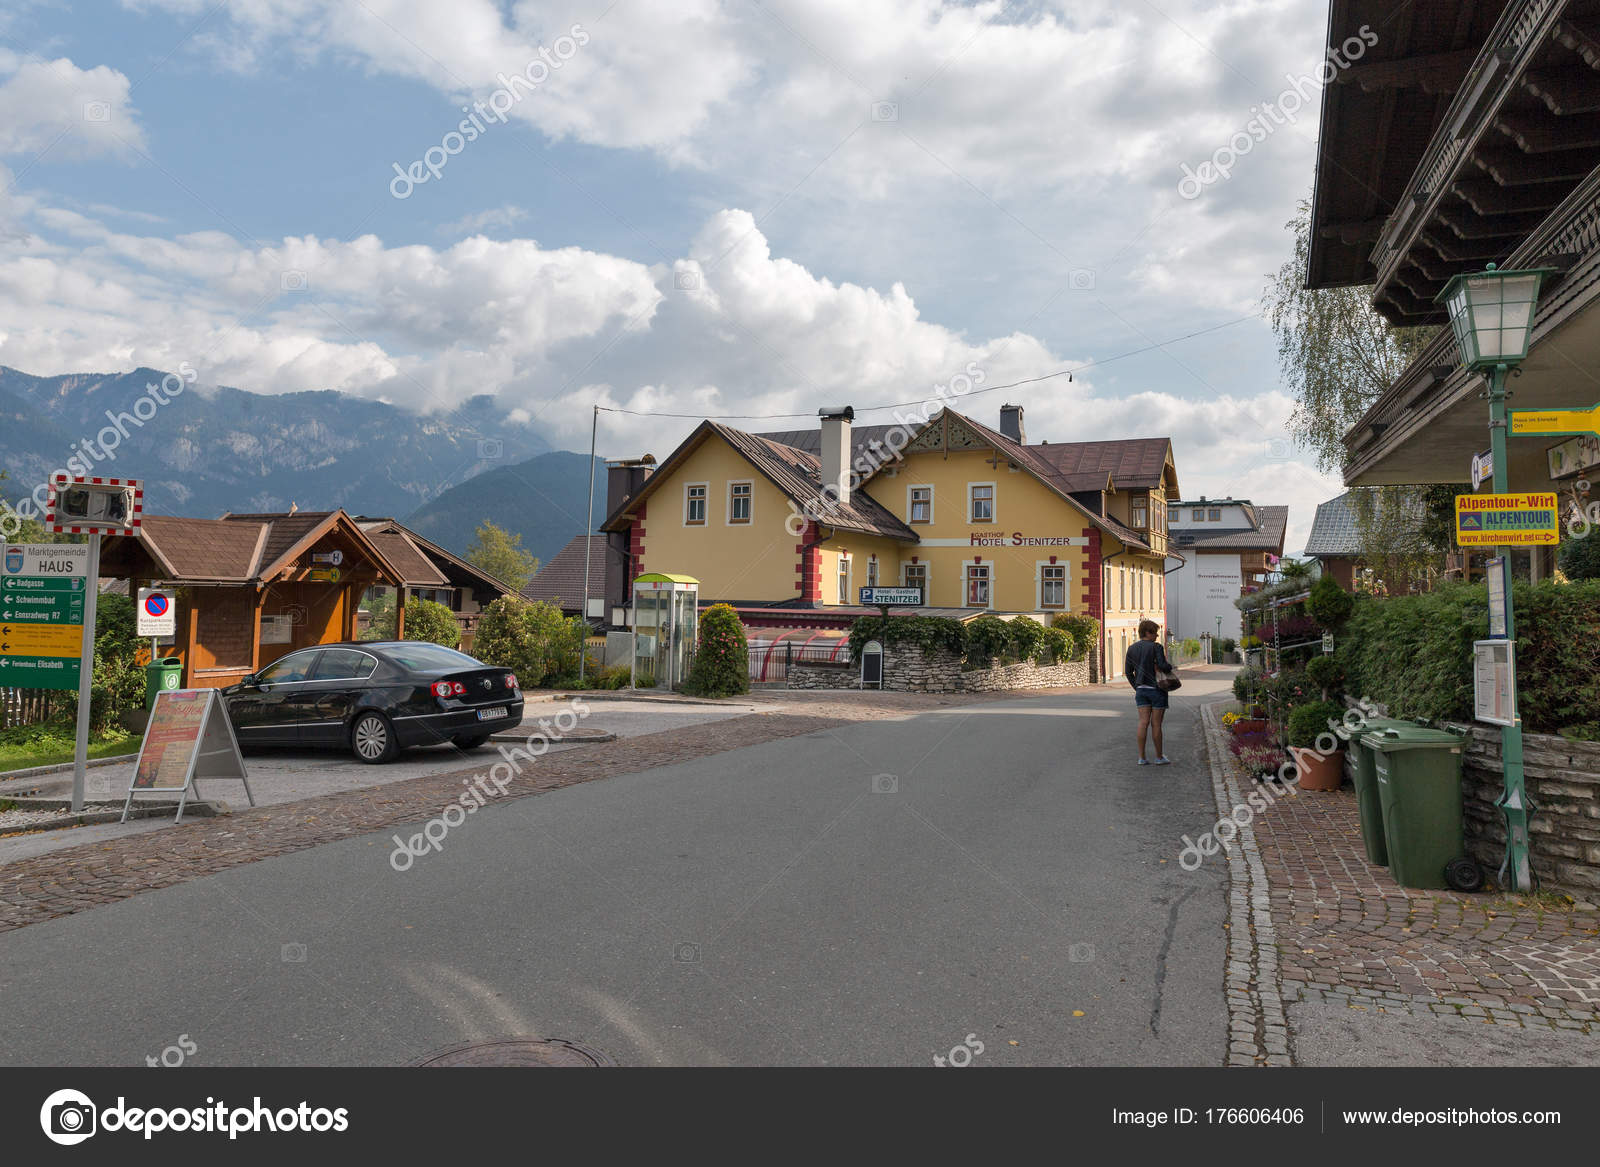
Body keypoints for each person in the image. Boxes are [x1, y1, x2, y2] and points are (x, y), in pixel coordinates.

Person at [1125, 619, 1173, 765]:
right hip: (1157, 690)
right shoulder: (1156, 647)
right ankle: (1159, 757)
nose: (1157, 636)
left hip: (1141, 690)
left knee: (1143, 722)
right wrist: (1170, 666)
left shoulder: (1131, 649)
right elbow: (1163, 666)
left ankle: (1142, 757)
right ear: (1147, 632)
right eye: (1155, 633)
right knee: (1156, 724)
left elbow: (1128, 672)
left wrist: (1137, 686)